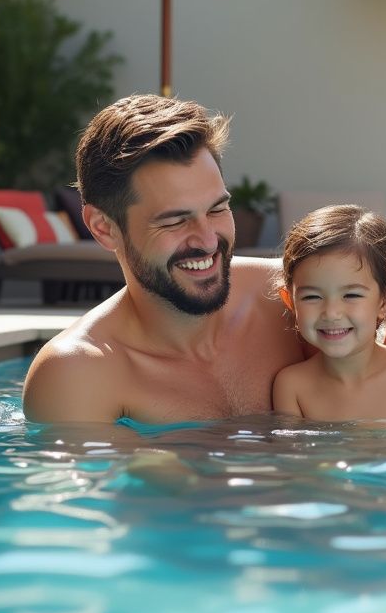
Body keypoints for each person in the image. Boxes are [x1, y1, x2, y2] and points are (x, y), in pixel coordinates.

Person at [22, 94, 304, 426]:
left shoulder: (299, 299)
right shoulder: (79, 375)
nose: (208, 241)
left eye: (217, 209)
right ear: (103, 228)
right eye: (174, 221)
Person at [272, 205, 386, 420]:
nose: (331, 313)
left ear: (385, 300)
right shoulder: (292, 386)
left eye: (351, 295)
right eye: (312, 297)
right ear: (290, 301)